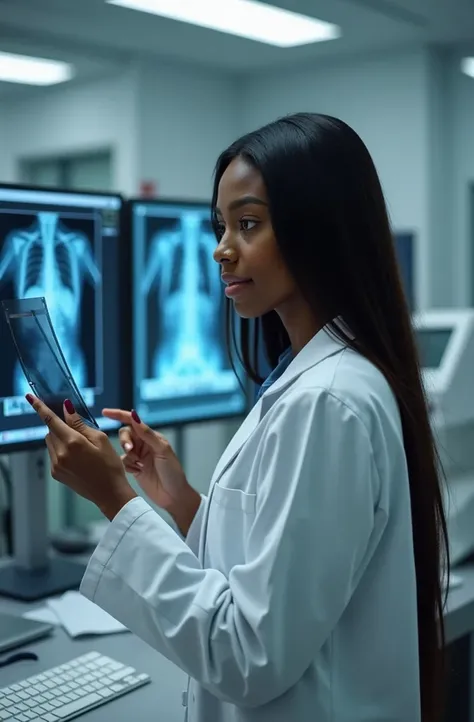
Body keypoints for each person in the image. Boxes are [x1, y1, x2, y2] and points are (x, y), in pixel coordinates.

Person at [27, 112, 449, 722]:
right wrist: (186, 505)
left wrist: (114, 497)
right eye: (220, 226)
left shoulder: (327, 401)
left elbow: (250, 655)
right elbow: (279, 573)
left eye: (248, 224)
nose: (222, 250)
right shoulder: (314, 378)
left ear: (318, 228)